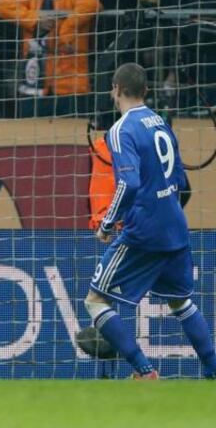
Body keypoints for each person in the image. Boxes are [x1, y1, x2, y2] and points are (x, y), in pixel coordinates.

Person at [84, 63, 215, 380]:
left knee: (95, 300)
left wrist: (107, 224)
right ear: (146, 90)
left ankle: (144, 371)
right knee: (181, 302)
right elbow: (181, 182)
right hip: (175, 227)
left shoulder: (121, 130)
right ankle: (213, 369)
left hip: (143, 231)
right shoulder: (161, 124)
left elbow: (128, 183)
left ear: (116, 89)